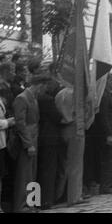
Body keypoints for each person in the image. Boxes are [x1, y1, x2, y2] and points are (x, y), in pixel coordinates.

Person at [12, 74, 49, 212]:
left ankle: (31, 203)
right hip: (27, 139)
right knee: (24, 174)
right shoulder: (22, 98)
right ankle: (21, 206)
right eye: (44, 86)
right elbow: (20, 124)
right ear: (39, 85)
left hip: (34, 136)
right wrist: (28, 144)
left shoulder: (33, 98)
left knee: (32, 172)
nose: (44, 89)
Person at [55, 86, 89, 206]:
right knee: (76, 164)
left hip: (62, 128)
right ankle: (74, 196)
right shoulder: (77, 94)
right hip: (75, 127)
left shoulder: (60, 94)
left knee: (64, 165)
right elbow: (82, 111)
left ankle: (59, 194)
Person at [36, 75, 63, 210]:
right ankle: (46, 200)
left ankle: (35, 200)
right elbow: (57, 117)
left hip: (39, 137)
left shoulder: (35, 98)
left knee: (39, 170)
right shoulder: (47, 99)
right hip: (50, 137)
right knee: (49, 170)